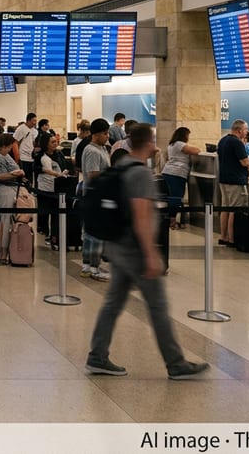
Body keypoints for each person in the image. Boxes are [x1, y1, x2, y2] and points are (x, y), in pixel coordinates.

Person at [85, 123, 210, 381]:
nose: (156, 146)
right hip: (136, 251)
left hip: (118, 245)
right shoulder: (141, 174)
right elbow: (142, 215)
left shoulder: (120, 165)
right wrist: (151, 253)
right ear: (148, 143)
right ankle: (176, 364)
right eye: (153, 142)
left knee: (113, 303)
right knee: (158, 307)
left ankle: (97, 356)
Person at [80, 118, 112, 281]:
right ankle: (92, 267)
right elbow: (93, 174)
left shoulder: (103, 148)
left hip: (101, 195)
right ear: (97, 134)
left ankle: (89, 265)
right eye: (105, 133)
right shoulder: (92, 150)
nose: (107, 136)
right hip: (94, 196)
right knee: (94, 234)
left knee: (93, 233)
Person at [0, 133, 24, 262]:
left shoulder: (3, 155)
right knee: (5, 220)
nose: (10, 149)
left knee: (7, 220)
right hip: (3, 191)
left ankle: (7, 251)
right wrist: (15, 174)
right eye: (9, 147)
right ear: (4, 146)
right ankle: (3, 252)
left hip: (9, 190)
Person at [217, 119, 249, 246]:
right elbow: (244, 162)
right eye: (246, 129)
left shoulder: (223, 140)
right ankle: (232, 239)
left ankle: (224, 236)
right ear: (239, 130)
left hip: (224, 179)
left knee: (225, 208)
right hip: (236, 180)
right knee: (235, 210)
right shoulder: (237, 143)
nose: (247, 132)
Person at [160, 128, 201, 230]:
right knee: (176, 198)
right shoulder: (179, 144)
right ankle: (172, 221)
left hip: (168, 172)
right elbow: (195, 151)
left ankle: (170, 219)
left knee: (171, 197)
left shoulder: (172, 144)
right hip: (177, 174)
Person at [35, 133, 71, 247]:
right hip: (44, 188)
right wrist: (48, 171)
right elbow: (36, 169)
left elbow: (64, 166)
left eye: (56, 141)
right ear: (46, 144)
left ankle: (54, 234)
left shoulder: (59, 154)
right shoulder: (39, 156)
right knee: (45, 211)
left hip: (57, 187)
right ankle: (44, 231)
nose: (55, 144)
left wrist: (63, 172)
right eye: (53, 142)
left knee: (56, 212)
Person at [13, 113, 38, 183]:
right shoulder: (21, 129)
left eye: (36, 121)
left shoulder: (35, 131)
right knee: (24, 178)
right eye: (33, 121)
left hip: (32, 157)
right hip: (23, 157)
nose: (35, 123)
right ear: (28, 120)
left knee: (30, 178)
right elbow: (15, 142)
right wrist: (17, 157)